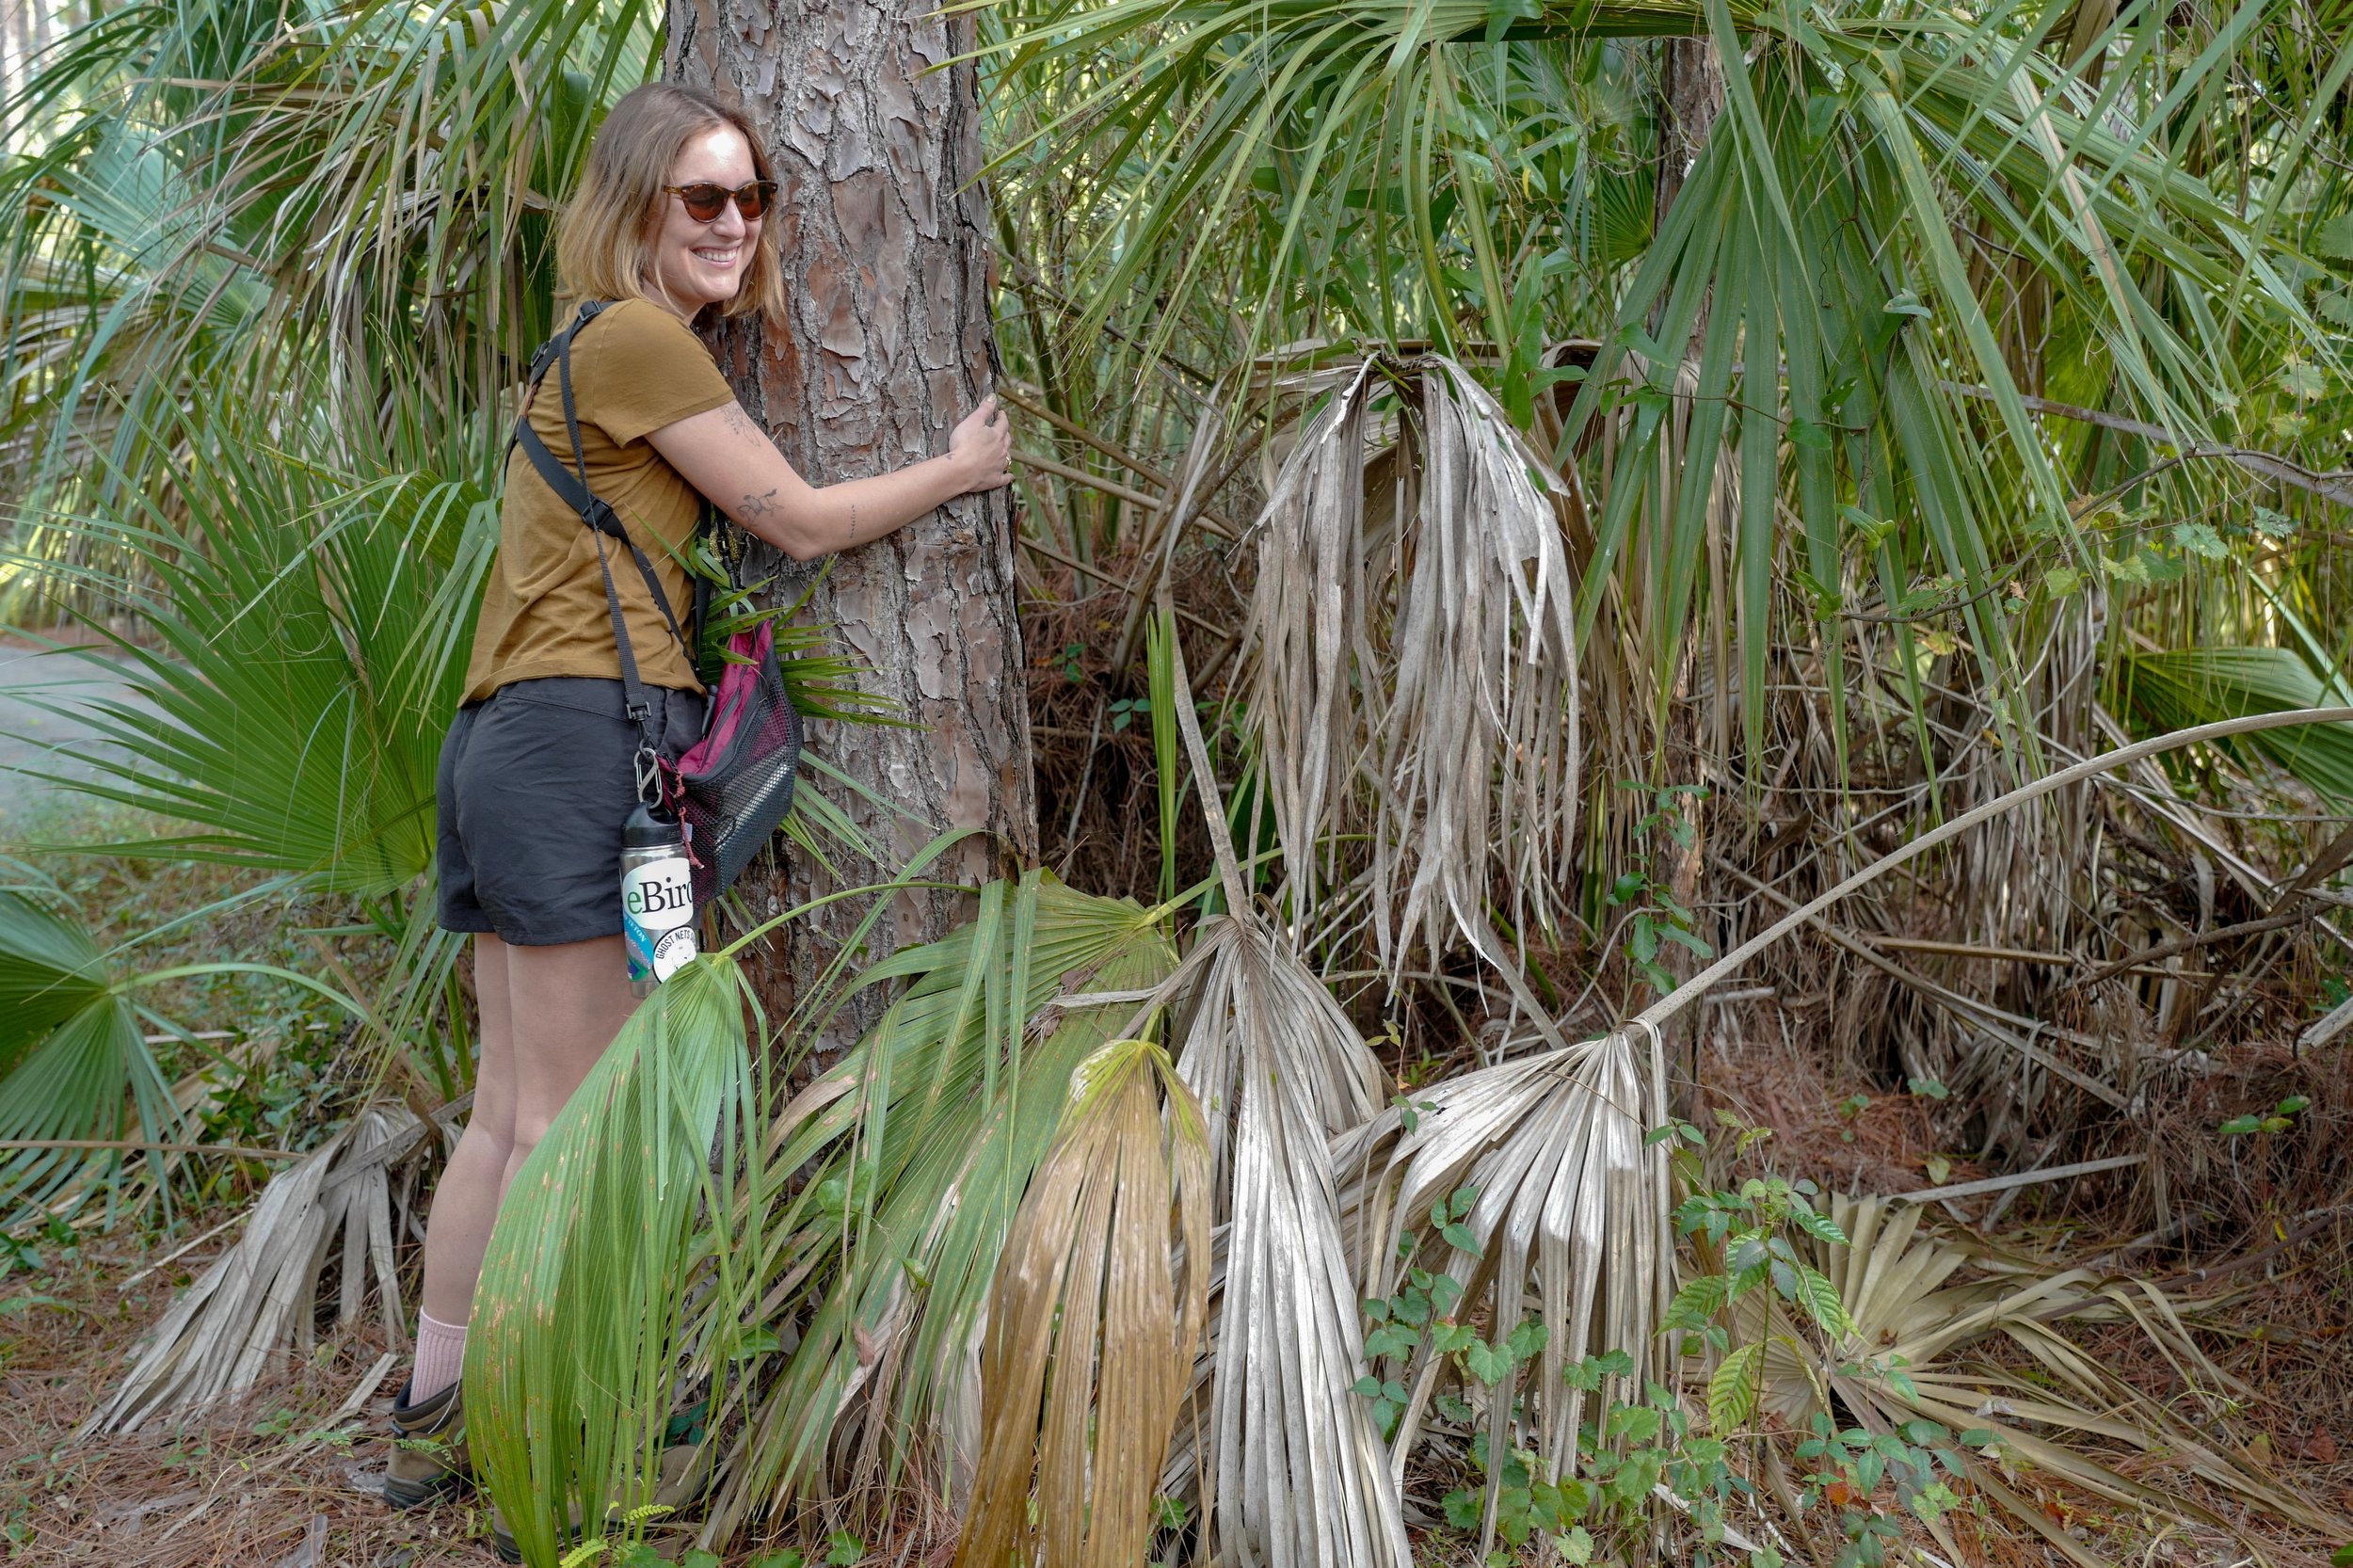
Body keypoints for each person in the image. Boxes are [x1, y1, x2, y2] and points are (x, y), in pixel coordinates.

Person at [385, 80, 1013, 1508]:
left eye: (751, 198)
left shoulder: (588, 351)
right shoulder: (639, 340)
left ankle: (439, 1406)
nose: (735, 221)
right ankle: (553, 1435)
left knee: (506, 1109)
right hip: (575, 745)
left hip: (509, 743)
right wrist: (958, 466)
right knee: (575, 1120)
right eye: (702, 199)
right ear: (636, 211)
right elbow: (789, 513)